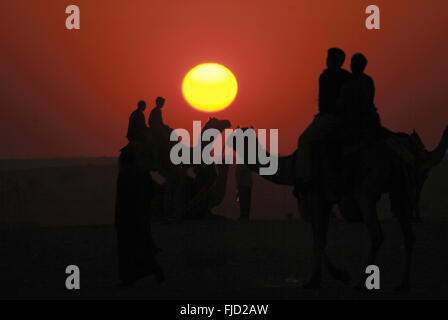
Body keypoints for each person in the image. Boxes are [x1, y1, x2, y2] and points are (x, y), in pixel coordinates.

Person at [294, 48, 351, 195]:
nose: (326, 60)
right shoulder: (348, 77)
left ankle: (305, 179)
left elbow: (323, 103)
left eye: (328, 57)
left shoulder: (326, 76)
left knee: (304, 141)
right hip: (347, 119)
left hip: (330, 118)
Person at [338, 53, 380, 140]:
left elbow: (345, 103)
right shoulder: (367, 80)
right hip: (368, 118)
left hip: (355, 121)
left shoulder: (348, 82)